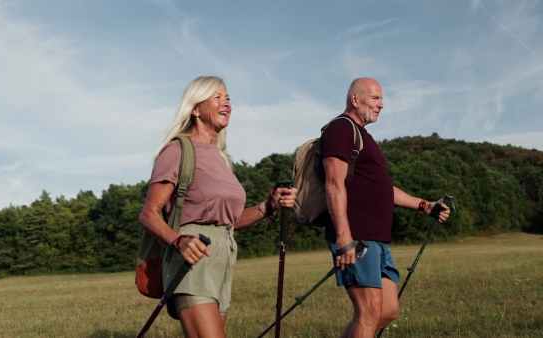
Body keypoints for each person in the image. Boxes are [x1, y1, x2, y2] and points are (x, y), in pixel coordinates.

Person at [139, 76, 297, 338]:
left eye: (228, 98)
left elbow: (228, 221)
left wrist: (269, 206)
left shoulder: (222, 158)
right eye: (217, 97)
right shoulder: (177, 150)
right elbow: (148, 214)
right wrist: (178, 241)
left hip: (224, 257)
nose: (226, 103)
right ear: (195, 108)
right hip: (192, 258)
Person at [320, 77, 451, 338]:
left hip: (377, 239)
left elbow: (382, 190)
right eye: (376, 98)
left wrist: (425, 205)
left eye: (381, 99)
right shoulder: (341, 129)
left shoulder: (362, 136)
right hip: (355, 236)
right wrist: (344, 236)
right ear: (355, 99)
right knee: (368, 312)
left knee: (387, 309)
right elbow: (333, 183)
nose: (382, 104)